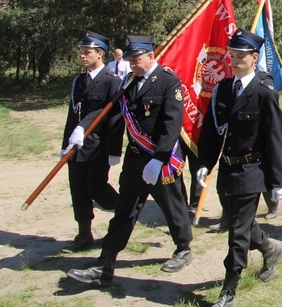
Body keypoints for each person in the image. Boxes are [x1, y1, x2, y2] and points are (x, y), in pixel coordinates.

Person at [67, 35, 194, 287]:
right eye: (129, 59)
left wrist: (158, 159)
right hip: (136, 161)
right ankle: (105, 264)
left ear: (150, 56)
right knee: (124, 211)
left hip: (161, 161)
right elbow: (109, 109)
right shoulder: (128, 82)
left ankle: (183, 248)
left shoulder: (168, 82)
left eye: (137, 59)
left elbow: (172, 125)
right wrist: (83, 127)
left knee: (173, 207)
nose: (132, 63)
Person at [195, 28, 282, 305]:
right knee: (241, 223)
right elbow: (212, 131)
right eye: (231, 56)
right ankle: (270, 249)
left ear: (254, 57)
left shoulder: (264, 91)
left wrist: (278, 180)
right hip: (227, 170)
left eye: (240, 57)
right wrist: (204, 163)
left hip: (251, 170)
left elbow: (273, 138)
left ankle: (229, 289)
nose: (234, 62)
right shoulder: (224, 88)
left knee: (236, 231)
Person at [60, 31, 124, 253]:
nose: (82, 56)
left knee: (96, 187)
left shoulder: (112, 81)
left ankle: (124, 211)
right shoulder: (78, 81)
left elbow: (115, 117)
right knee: (78, 189)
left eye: (87, 52)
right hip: (76, 146)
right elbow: (73, 114)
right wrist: (65, 144)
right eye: (81, 52)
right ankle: (84, 234)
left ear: (100, 53)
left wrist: (114, 150)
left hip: (98, 145)